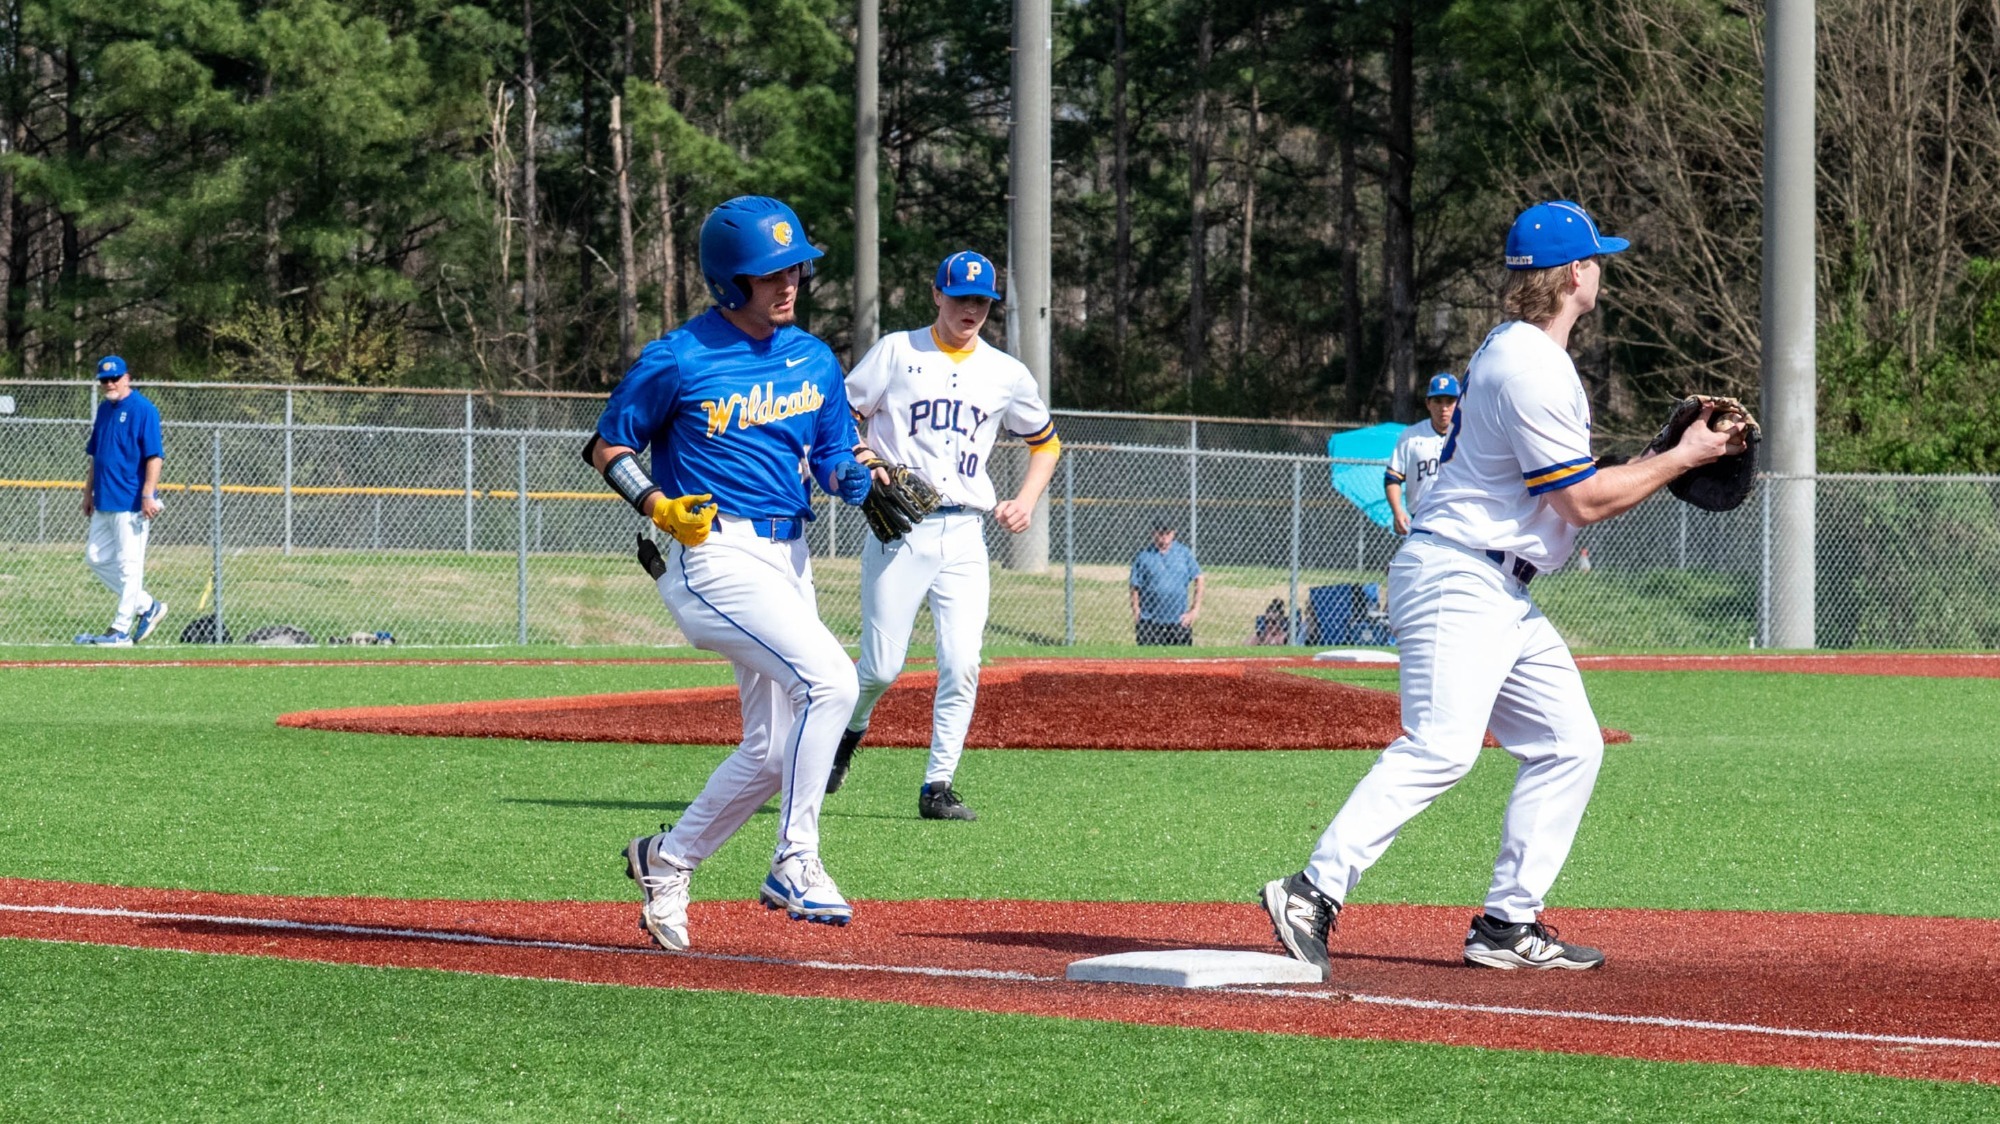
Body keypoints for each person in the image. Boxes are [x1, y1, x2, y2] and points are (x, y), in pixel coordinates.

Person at [1261, 201, 1747, 978]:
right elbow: (1583, 504)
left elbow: (1577, 490)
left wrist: (1660, 452)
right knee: (1442, 748)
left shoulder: (1521, 351)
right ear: (1577, 274)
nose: (1602, 271)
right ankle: (1312, 891)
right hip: (1461, 576)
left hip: (1496, 586)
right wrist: (1682, 458)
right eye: (1597, 260)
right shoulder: (1531, 367)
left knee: (1568, 743)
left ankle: (1506, 925)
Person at [596, 195, 880, 952]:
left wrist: (853, 477)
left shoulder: (815, 358)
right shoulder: (680, 356)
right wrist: (655, 504)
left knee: (773, 751)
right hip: (713, 553)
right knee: (834, 683)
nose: (787, 283)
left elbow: (830, 457)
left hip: (789, 559)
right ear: (730, 282)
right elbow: (607, 447)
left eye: (795, 268)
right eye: (767, 274)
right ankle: (796, 859)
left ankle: (667, 859)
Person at [825, 250, 1061, 822]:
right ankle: (849, 734)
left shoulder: (1005, 372)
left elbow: (1046, 442)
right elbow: (837, 411)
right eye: (960, 298)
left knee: (962, 662)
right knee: (881, 666)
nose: (971, 309)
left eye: (981, 301)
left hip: (965, 532)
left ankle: (939, 785)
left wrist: (1025, 501)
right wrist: (862, 455)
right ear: (937, 295)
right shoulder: (897, 352)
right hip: (901, 526)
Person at [76, 355, 168, 647]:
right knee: (95, 557)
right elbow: (97, 455)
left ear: (127, 377)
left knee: (130, 567)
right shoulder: (104, 410)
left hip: (130, 502)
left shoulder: (144, 410)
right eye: (104, 379)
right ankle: (147, 606)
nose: (110, 383)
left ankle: (120, 630)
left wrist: (147, 495)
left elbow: (154, 456)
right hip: (104, 499)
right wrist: (88, 491)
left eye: (115, 377)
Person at [1384, 373, 1461, 536]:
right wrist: (1398, 511)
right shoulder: (1411, 436)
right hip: (1421, 521)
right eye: (1438, 401)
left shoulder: (1470, 436)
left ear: (1460, 402)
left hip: (1459, 521)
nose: (1444, 408)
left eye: (1450, 401)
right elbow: (1392, 478)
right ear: (1428, 403)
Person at [1129, 523, 1203, 645]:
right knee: (1148, 660)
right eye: (1160, 532)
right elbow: (1135, 585)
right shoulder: (1144, 556)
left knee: (1180, 660)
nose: (1164, 536)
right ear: (1153, 533)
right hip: (1150, 621)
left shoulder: (1184, 553)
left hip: (1179, 621)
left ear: (1173, 533)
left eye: (1167, 532)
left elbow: (1199, 578)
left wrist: (1194, 610)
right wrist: (1136, 611)